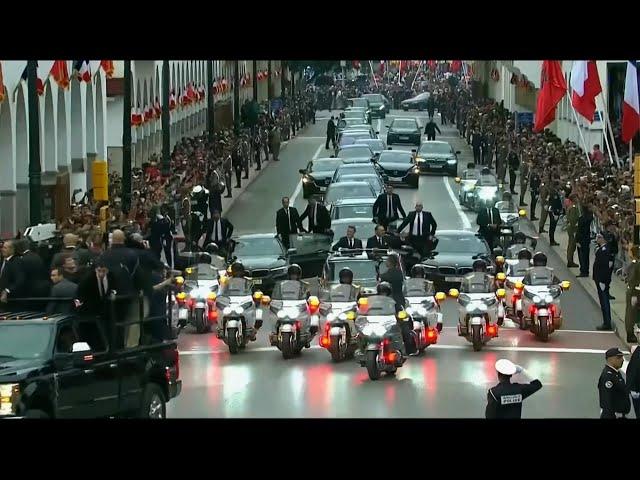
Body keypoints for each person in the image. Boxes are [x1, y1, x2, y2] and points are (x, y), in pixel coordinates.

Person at [598, 347, 631, 419]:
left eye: (622, 357)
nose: (622, 360)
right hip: (612, 415)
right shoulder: (607, 376)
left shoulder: (615, 373)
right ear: (610, 359)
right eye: (619, 357)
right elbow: (606, 399)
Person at [593, 233, 613, 331]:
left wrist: (602, 281)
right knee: (603, 301)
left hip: (602, 280)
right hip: (600, 279)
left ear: (603, 239)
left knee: (604, 301)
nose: (597, 239)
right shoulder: (602, 249)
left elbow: (605, 267)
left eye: (599, 237)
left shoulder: (605, 251)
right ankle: (606, 321)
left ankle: (607, 323)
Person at [0, 240, 25, 309]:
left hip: (12, 301)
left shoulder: (16, 261)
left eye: (5, 248)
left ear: (12, 249)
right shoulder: (3, 261)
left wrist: (7, 291)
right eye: (2, 247)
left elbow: (20, 280)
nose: (2, 250)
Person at [624, 245, 640, 344]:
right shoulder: (636, 265)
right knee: (631, 314)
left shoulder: (633, 264)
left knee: (631, 313)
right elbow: (633, 279)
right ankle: (630, 334)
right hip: (635, 292)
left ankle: (631, 333)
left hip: (633, 291)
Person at [626, 326, 640, 418]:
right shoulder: (637, 350)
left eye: (638, 333)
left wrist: (633, 389)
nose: (637, 335)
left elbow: (635, 371)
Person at [576, 204, 593, 278]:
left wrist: (577, 240)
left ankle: (583, 270)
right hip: (586, 239)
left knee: (582, 256)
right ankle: (586, 270)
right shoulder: (589, 218)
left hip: (581, 240)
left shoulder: (582, 219)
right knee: (586, 256)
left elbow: (579, 230)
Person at [603, 222, 618, 300]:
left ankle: (605, 292)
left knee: (607, 276)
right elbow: (611, 247)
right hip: (609, 258)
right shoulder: (609, 236)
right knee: (607, 276)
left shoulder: (604, 234)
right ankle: (606, 292)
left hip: (607, 257)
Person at [565, 193, 581, 268]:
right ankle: (570, 260)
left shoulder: (571, 206)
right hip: (573, 228)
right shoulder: (573, 208)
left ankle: (570, 259)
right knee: (572, 245)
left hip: (571, 227)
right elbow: (572, 219)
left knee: (571, 244)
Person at [547, 182, 563, 246]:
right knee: (552, 227)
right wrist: (555, 213)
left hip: (553, 211)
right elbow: (554, 204)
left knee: (552, 227)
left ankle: (552, 240)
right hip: (554, 212)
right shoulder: (554, 194)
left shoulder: (554, 192)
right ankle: (552, 240)